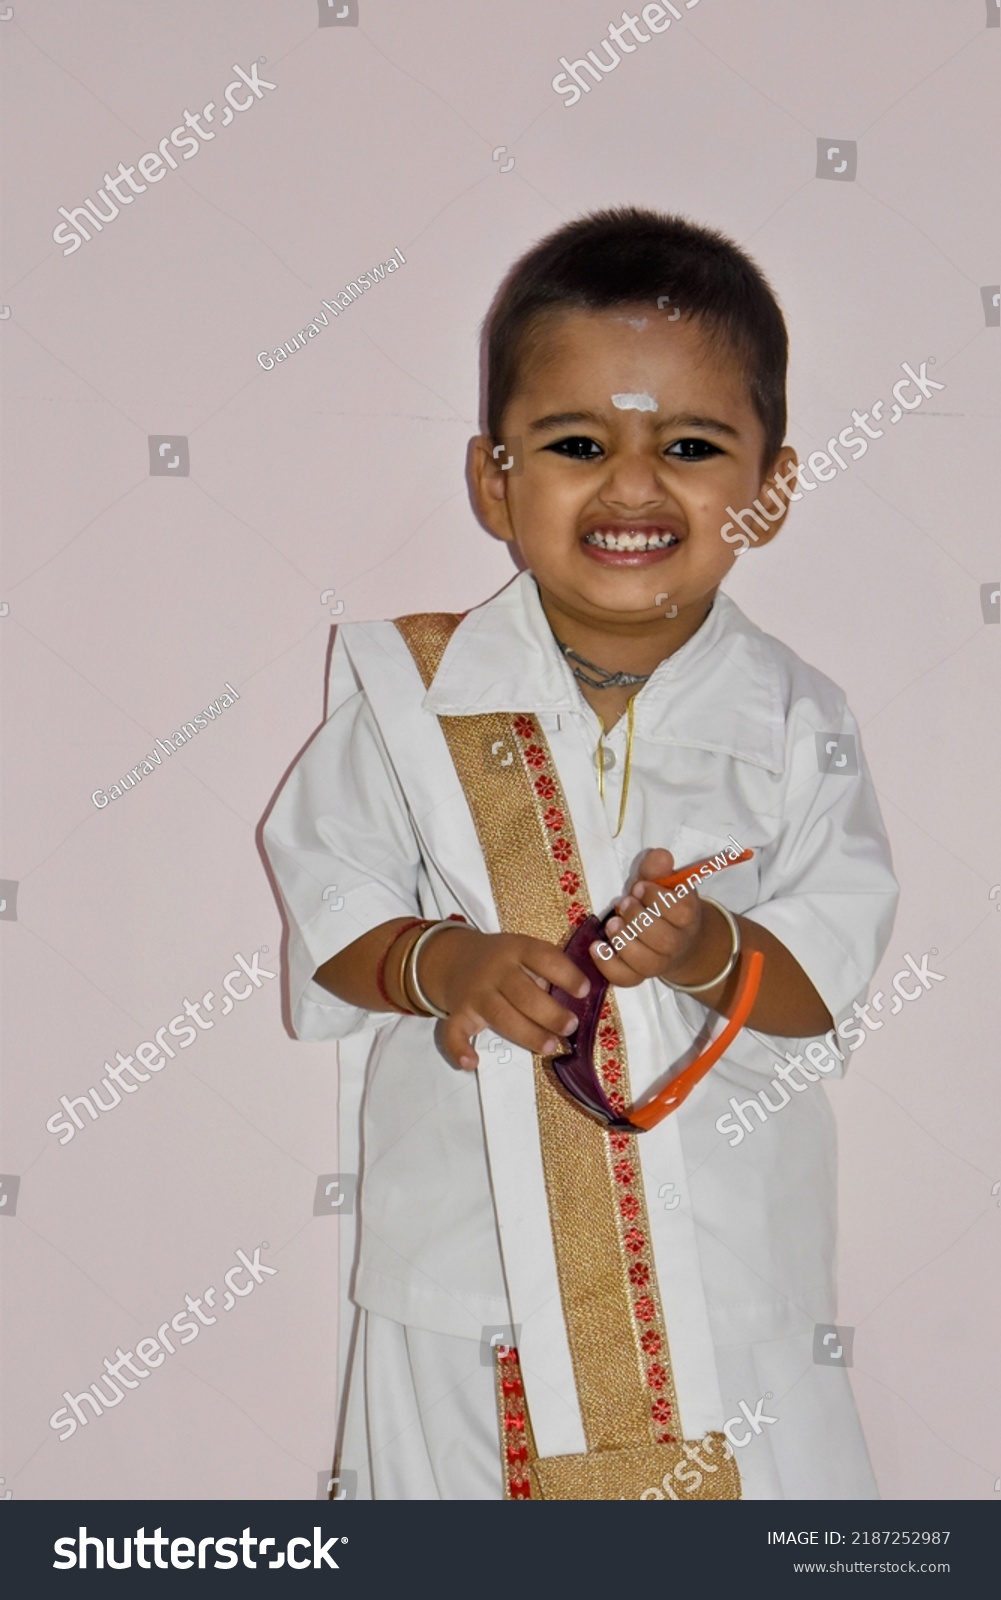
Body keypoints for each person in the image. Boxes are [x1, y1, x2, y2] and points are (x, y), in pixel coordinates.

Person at [262, 208, 898, 1501]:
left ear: (768, 485)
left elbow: (826, 979)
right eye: (574, 444)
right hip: (466, 1279)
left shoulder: (795, 720)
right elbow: (334, 911)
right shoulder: (409, 698)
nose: (630, 485)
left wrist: (712, 949)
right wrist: (445, 964)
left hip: (723, 1287)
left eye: (689, 446)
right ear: (494, 478)